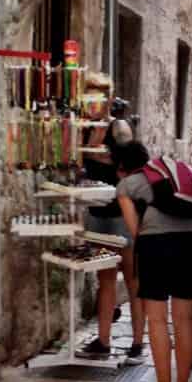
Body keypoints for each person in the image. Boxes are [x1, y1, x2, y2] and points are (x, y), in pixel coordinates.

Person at [116, 142, 192, 382]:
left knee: (156, 319)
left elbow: (135, 231)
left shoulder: (127, 186)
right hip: (191, 242)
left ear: (123, 167)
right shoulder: (169, 173)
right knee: (185, 319)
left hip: (156, 244)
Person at [78, 117, 146, 363]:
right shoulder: (92, 141)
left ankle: (135, 342)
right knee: (111, 281)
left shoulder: (118, 139)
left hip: (119, 217)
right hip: (103, 218)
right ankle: (107, 341)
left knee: (130, 282)